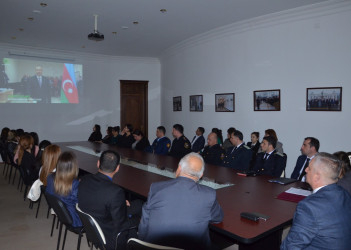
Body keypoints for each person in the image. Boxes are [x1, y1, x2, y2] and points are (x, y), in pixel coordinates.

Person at [138, 153, 224, 249]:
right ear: (201, 175)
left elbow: (144, 221)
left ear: (179, 168)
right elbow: (218, 218)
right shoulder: (209, 194)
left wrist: (143, 244)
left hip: (153, 246)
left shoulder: (156, 188)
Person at [281, 153, 351, 249]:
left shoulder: (308, 206)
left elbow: (292, 246)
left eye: (309, 168)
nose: (305, 170)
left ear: (317, 176)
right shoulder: (344, 193)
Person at [78, 150, 142, 250]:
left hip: (95, 223)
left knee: (138, 204)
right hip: (110, 235)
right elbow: (121, 225)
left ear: (98, 163)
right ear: (117, 168)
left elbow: (100, 197)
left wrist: (120, 203)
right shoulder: (115, 192)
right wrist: (139, 220)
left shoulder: (84, 179)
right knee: (141, 215)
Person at [46, 151, 82, 227]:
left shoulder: (50, 178)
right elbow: (80, 203)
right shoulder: (74, 184)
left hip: (60, 213)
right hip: (74, 218)